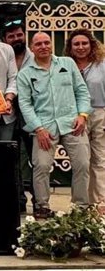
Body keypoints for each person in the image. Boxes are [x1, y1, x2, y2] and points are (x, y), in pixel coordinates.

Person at [17, 32, 91, 218]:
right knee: (41, 166)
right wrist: (38, 128)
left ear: (52, 45)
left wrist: (82, 115)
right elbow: (25, 104)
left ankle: (80, 208)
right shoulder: (25, 74)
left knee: (82, 163)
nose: (43, 46)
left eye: (46, 42)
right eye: (38, 44)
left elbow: (81, 91)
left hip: (73, 123)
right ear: (32, 48)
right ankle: (42, 206)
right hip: (44, 126)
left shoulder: (68, 64)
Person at [65, 28, 105, 208]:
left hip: (99, 113)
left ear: (91, 44)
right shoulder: (65, 66)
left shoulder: (102, 64)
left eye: (84, 43)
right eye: (76, 44)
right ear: (70, 47)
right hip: (76, 117)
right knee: (81, 161)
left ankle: (99, 201)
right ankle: (80, 203)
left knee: (99, 158)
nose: (81, 47)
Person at [2, 19, 35, 212]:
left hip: (32, 116)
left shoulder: (35, 57)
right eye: (12, 36)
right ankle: (17, 200)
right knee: (11, 158)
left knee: (36, 159)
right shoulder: (2, 58)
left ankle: (39, 201)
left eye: (19, 35)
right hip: (8, 114)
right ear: (5, 40)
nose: (16, 39)